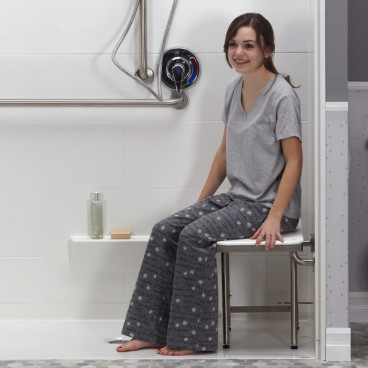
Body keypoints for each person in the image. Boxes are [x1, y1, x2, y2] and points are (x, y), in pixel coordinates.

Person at [116, 12, 302, 356]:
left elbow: (294, 161)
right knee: (165, 229)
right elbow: (223, 154)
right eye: (233, 44)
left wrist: (276, 216)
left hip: (268, 207)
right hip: (238, 200)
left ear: (268, 50)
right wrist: (198, 206)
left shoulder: (282, 97)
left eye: (249, 45)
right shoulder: (234, 88)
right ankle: (150, 331)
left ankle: (191, 338)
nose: (239, 52)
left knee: (193, 236)